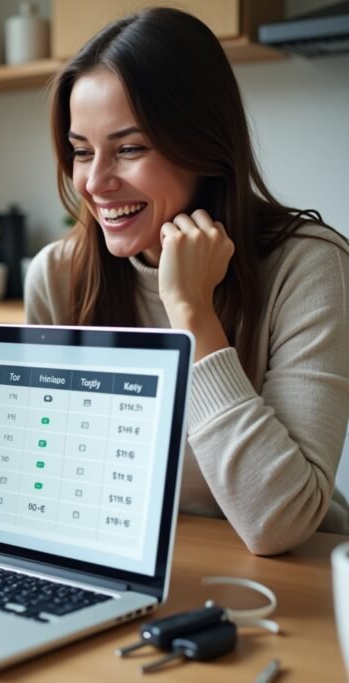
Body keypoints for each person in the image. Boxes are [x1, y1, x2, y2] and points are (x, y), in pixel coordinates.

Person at [24, 7, 349, 555]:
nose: (96, 182)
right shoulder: (58, 276)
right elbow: (46, 483)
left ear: (201, 145)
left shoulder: (309, 268)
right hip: (133, 562)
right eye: (81, 152)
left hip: (294, 573)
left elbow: (279, 523)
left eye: (130, 148)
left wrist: (191, 310)